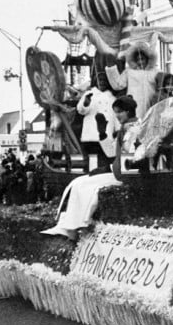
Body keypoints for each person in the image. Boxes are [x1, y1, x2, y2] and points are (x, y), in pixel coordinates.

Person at [42, 95, 140, 240]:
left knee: (87, 187)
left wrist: (108, 168)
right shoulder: (123, 129)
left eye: (120, 112)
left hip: (125, 175)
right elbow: (111, 152)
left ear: (129, 111)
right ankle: (65, 225)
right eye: (116, 112)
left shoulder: (135, 128)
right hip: (116, 172)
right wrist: (102, 134)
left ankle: (78, 226)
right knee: (77, 182)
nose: (117, 116)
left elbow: (130, 156)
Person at [105, 41, 160, 118]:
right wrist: (111, 68)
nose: (140, 62)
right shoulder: (130, 71)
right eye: (138, 59)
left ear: (148, 59)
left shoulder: (156, 71)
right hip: (135, 106)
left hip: (151, 105)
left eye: (142, 59)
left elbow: (163, 86)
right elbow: (118, 85)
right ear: (134, 60)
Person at [76, 72, 117, 172]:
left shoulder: (113, 98)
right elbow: (81, 110)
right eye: (100, 80)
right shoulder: (89, 94)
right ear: (95, 81)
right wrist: (86, 103)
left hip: (106, 136)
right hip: (91, 136)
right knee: (91, 162)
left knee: (105, 161)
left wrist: (117, 130)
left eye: (104, 80)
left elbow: (116, 116)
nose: (102, 82)